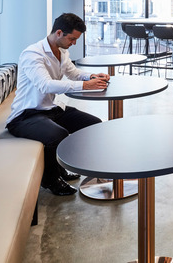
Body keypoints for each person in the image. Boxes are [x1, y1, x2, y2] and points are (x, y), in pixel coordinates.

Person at [7, 13, 111, 196]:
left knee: (93, 124)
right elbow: (46, 85)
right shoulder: (33, 54)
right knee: (58, 134)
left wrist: (92, 76)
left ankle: (63, 167)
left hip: (51, 109)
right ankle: (51, 180)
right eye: (72, 39)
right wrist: (85, 86)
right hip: (26, 116)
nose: (74, 43)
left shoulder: (62, 51)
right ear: (59, 33)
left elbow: (73, 73)